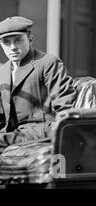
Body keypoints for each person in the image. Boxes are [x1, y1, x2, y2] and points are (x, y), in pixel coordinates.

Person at [0, 16, 76, 151]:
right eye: (6, 42)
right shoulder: (3, 71)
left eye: (18, 40)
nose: (13, 47)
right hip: (12, 134)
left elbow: (65, 108)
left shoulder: (47, 63)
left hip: (42, 132)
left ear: (30, 39)